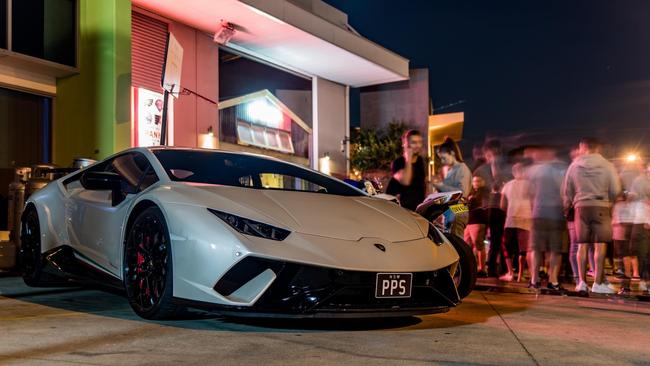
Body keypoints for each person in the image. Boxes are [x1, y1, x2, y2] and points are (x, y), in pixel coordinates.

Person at [562, 138, 621, 294]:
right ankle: (598, 282)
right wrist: (610, 200)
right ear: (598, 149)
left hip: (580, 207)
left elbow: (567, 190)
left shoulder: (574, 166)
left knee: (582, 245)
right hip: (601, 205)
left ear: (582, 147)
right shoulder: (608, 165)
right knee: (600, 245)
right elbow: (616, 189)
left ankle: (581, 282)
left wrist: (570, 204)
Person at [527, 145, 568, 290]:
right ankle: (553, 280)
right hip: (556, 214)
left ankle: (534, 280)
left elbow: (529, 193)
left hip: (538, 213)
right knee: (555, 250)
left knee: (536, 249)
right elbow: (565, 191)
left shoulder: (534, 170)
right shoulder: (561, 169)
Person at [433, 137, 472, 237]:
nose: (442, 161)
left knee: (456, 246)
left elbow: (462, 192)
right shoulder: (452, 170)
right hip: (451, 212)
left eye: (443, 158)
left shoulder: (462, 168)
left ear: (452, 153)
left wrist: (441, 185)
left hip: (458, 210)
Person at [499, 163, 532, 282]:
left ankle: (510, 273)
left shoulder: (507, 185)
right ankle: (520, 275)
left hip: (511, 219)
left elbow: (502, 205)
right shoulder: (530, 185)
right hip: (527, 219)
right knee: (523, 249)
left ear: (513, 172)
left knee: (508, 248)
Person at [386, 130, 427, 211]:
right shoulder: (398, 162)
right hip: (401, 210)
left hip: (417, 209)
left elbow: (421, 184)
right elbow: (406, 181)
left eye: (419, 142)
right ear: (405, 144)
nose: (417, 145)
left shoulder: (420, 161)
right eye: (414, 142)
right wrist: (408, 158)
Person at [629, 162, 650, 293]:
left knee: (644, 253)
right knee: (643, 253)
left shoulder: (640, 180)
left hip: (642, 221)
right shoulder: (640, 181)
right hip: (642, 221)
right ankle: (645, 281)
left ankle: (645, 281)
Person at [464, 175, 490, 276]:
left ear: (483, 182)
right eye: (474, 181)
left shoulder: (484, 193)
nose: (476, 183)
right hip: (469, 221)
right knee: (467, 244)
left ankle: (482, 269)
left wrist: (456, 208)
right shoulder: (471, 193)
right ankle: (472, 267)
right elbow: (466, 205)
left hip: (478, 221)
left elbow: (471, 205)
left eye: (478, 181)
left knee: (478, 244)